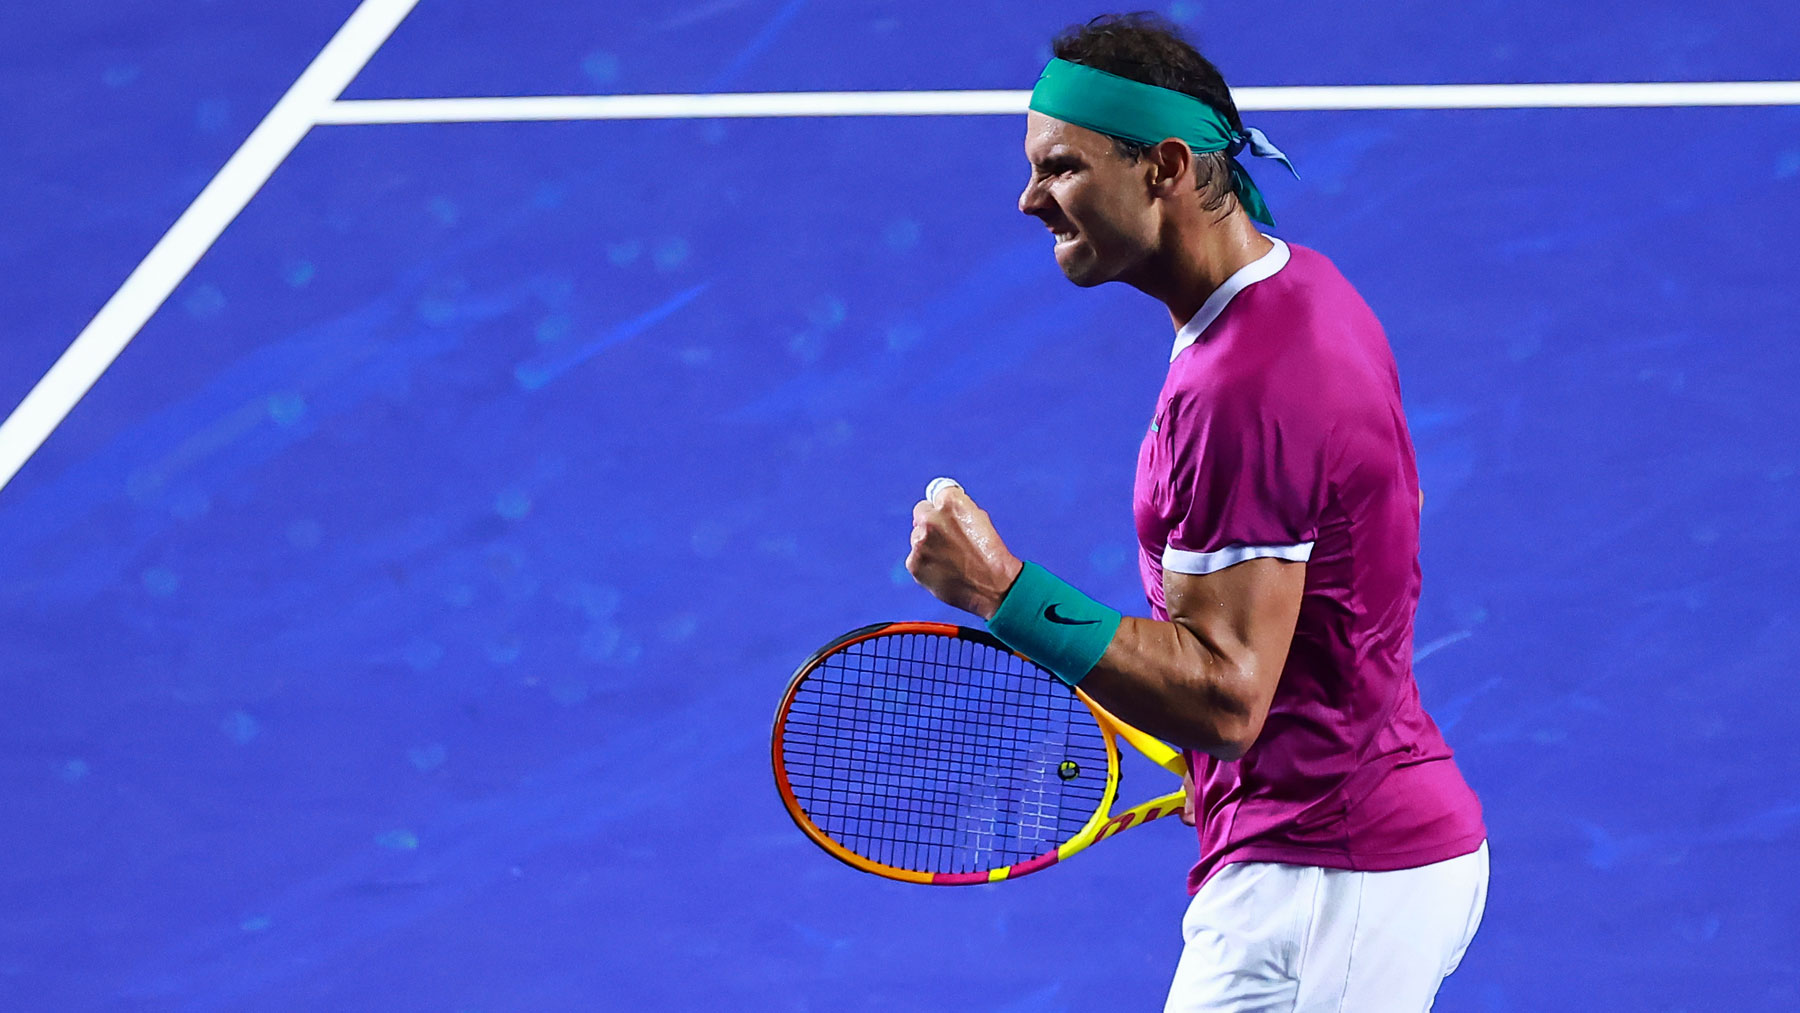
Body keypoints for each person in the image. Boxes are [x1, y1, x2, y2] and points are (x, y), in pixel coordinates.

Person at [903, 13, 1488, 1012]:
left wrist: (1007, 592)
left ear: (1164, 167)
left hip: (1323, 885)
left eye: (1062, 167)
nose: (1030, 198)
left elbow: (1225, 699)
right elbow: (1354, 557)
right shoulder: (1305, 293)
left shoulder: (1242, 385)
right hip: (1348, 849)